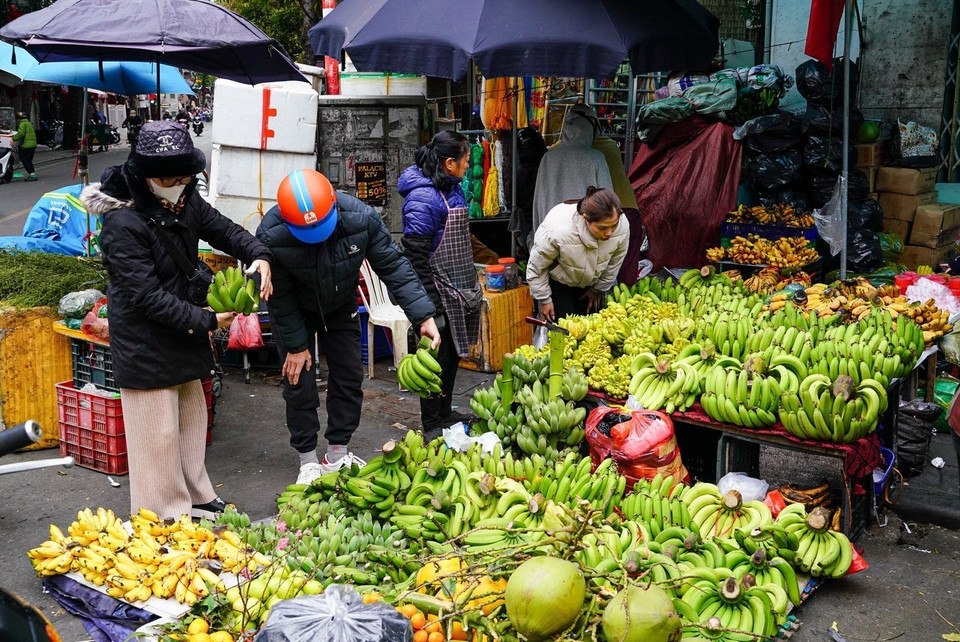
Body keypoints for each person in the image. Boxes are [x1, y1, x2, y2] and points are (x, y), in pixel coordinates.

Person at [80, 121, 273, 520]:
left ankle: (197, 494)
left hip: (185, 328)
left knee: (190, 418)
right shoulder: (122, 223)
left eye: (182, 176)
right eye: (166, 177)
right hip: (146, 337)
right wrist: (207, 321)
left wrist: (259, 255)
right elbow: (146, 297)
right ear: (143, 175)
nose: (175, 183)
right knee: (158, 433)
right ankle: (162, 515)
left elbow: (227, 231)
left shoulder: (186, 200)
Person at [257, 169, 442, 485]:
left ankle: (337, 455)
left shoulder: (361, 219)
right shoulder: (272, 234)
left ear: (334, 206)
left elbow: (394, 266)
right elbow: (279, 296)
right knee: (298, 381)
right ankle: (307, 461)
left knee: (348, 377)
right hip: (294, 310)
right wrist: (297, 346)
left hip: (339, 304)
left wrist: (423, 316)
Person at [398, 130, 483, 436]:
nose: (467, 164)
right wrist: (430, 307)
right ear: (449, 163)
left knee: (453, 354)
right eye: (465, 160)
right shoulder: (422, 198)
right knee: (436, 357)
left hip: (456, 287)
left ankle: (445, 412)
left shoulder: (452, 188)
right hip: (433, 288)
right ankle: (432, 422)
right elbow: (416, 259)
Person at [526, 187, 630, 321]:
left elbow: (614, 263)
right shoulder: (558, 229)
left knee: (591, 334)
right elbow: (536, 266)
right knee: (561, 335)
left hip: (591, 286)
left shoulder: (622, 226)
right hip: (559, 285)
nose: (609, 233)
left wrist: (597, 290)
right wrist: (545, 299)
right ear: (586, 219)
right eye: (602, 228)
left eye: (613, 226)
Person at [530, 105, 613, 242]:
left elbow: (539, 203)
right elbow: (608, 203)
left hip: (550, 235)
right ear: (590, 129)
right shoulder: (596, 157)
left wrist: (538, 237)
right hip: (584, 239)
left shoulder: (549, 157)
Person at [11, 112, 37, 182]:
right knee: (28, 160)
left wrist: (13, 138)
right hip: (33, 144)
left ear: (19, 119)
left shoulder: (22, 124)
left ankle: (32, 175)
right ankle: (32, 174)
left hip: (27, 145)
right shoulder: (29, 123)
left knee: (25, 160)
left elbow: (21, 133)